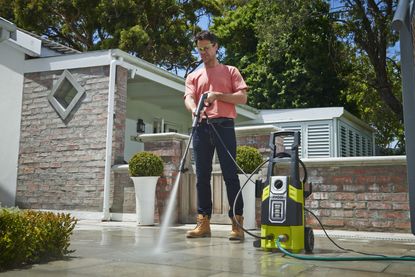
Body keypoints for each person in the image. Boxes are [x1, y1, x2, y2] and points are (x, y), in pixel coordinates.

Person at [183, 30, 248, 241]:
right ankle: (203, 222)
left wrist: (218, 96)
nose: (203, 52)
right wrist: (194, 109)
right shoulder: (193, 76)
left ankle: (237, 222)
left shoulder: (230, 71)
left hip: (224, 126)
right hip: (202, 127)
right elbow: (188, 98)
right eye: (200, 49)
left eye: (207, 48)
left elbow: (242, 98)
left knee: (230, 175)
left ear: (216, 46)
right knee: (202, 176)